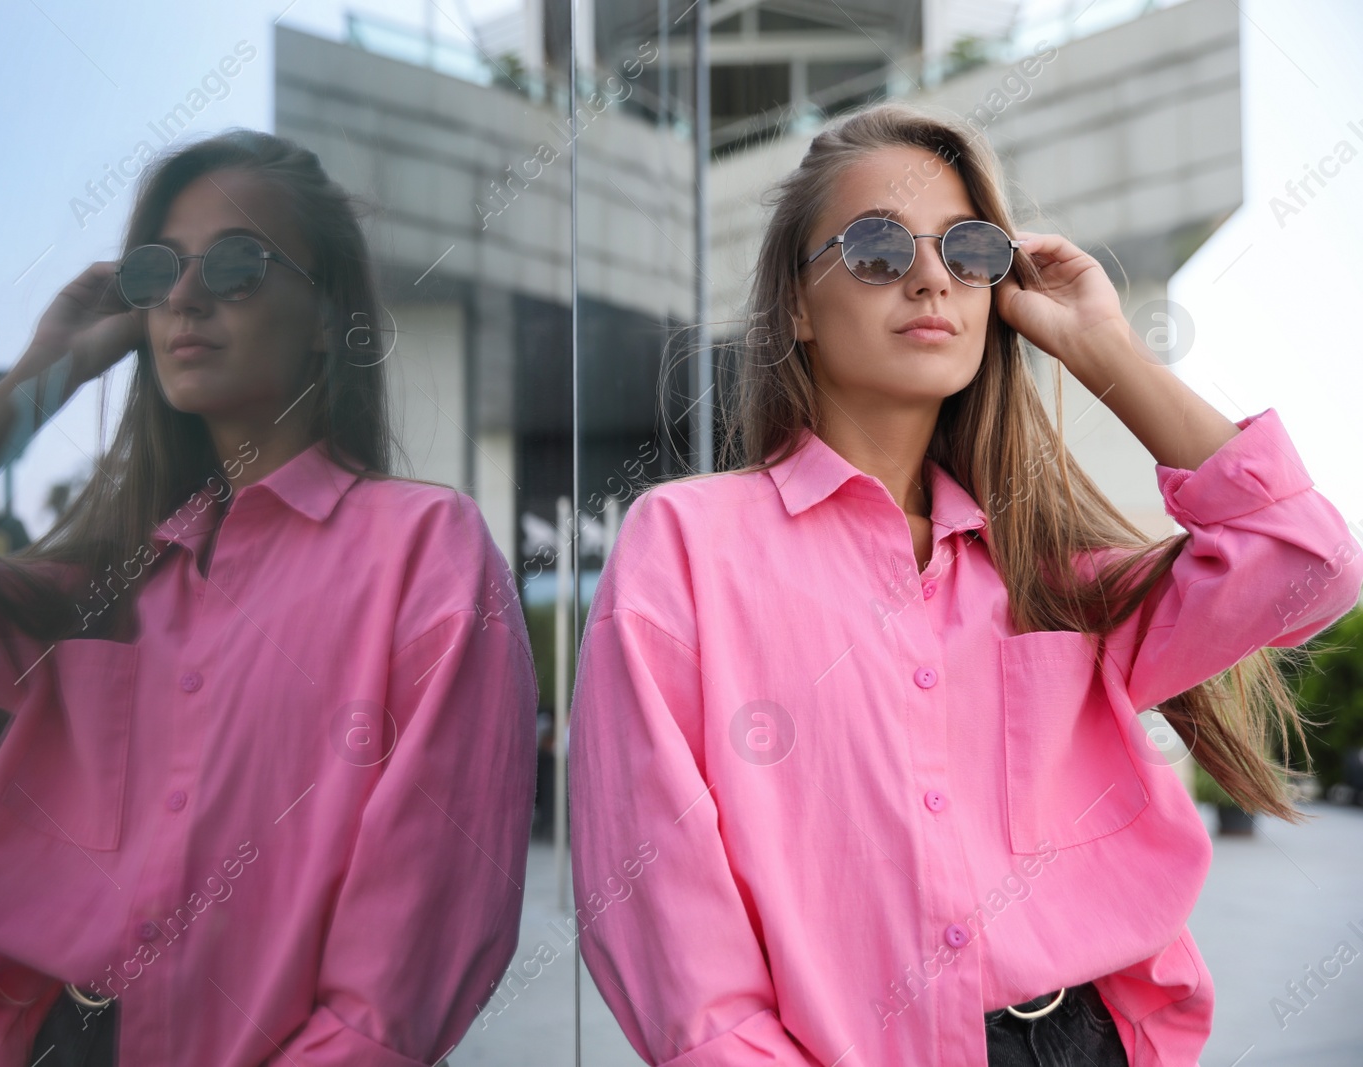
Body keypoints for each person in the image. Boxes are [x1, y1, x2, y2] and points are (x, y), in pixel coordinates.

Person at [567, 100, 1362, 1067]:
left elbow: (1307, 563)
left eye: (970, 249)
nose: (932, 276)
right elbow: (661, 917)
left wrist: (1104, 350)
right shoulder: (687, 546)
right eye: (875, 249)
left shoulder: (1051, 577)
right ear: (797, 306)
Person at [0, 129, 538, 1067]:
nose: (186, 296)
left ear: (325, 313)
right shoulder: (108, 585)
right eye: (159, 270)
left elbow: (413, 954)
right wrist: (44, 377)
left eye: (237, 265)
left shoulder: (426, 552)